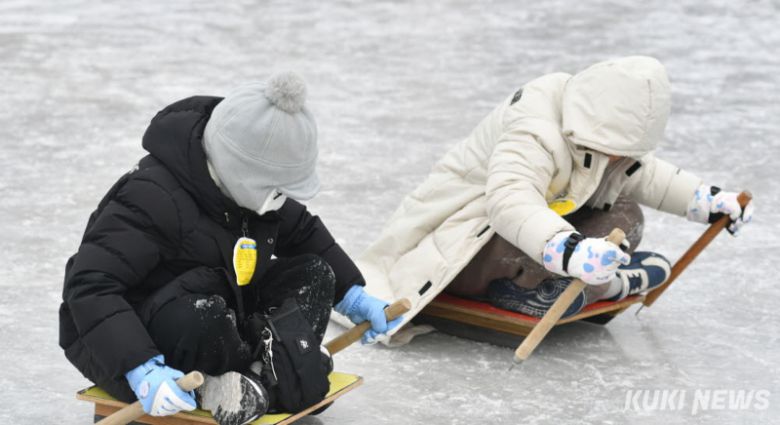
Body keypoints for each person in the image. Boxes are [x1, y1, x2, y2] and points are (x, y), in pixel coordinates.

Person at [59, 72, 401, 425]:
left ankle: (269, 367)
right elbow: (91, 286)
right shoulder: (153, 198)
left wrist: (353, 295)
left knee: (314, 274)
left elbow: (303, 231)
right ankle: (216, 386)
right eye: (277, 191)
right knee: (199, 314)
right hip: (135, 342)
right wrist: (138, 367)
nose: (282, 201)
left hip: (221, 313)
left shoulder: (252, 196)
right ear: (244, 175)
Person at [345, 56, 754, 342]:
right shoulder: (535, 126)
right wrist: (569, 249)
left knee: (626, 213)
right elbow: (509, 202)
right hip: (468, 243)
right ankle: (604, 283)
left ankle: (556, 284)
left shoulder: (599, 132)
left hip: (532, 240)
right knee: (524, 233)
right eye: (615, 149)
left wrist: (707, 199)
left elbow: (642, 173)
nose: (618, 159)